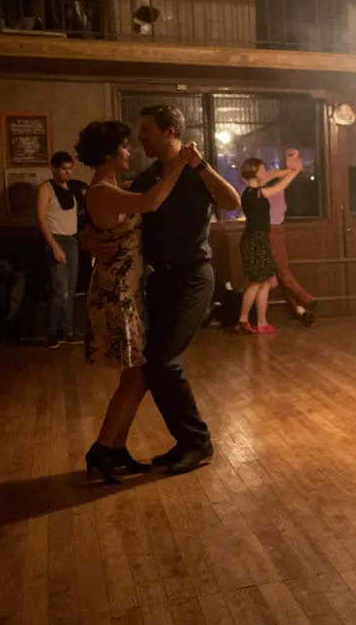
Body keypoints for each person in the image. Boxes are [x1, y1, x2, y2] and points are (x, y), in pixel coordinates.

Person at [82, 104, 241, 475]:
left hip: (193, 277)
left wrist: (199, 164)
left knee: (162, 363)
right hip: (157, 279)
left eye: (147, 131)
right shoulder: (149, 176)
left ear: (171, 132)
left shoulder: (196, 172)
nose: (139, 139)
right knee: (150, 365)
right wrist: (85, 236)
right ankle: (130, 446)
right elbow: (106, 210)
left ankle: (196, 442)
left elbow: (233, 202)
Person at [76, 120, 182, 483]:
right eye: (124, 146)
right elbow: (151, 201)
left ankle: (116, 448)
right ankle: (102, 449)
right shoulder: (102, 190)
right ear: (108, 152)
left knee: (135, 374)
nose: (129, 151)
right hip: (116, 292)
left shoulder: (109, 188)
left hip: (127, 289)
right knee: (137, 374)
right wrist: (182, 163)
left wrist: (83, 235)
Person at [236, 158, 301, 334]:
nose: (265, 171)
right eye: (262, 169)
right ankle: (242, 320)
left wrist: (289, 170)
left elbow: (273, 175)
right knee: (257, 282)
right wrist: (294, 173)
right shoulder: (254, 193)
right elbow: (279, 186)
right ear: (254, 172)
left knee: (266, 282)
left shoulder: (254, 189)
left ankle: (262, 322)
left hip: (260, 239)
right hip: (254, 241)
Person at [262, 149, 318, 326]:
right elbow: (271, 179)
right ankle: (305, 300)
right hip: (270, 230)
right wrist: (292, 170)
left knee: (277, 275)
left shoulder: (286, 181)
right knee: (278, 272)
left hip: (277, 228)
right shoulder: (266, 184)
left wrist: (294, 169)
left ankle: (299, 310)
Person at [37, 151, 83, 348]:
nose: (67, 172)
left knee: (70, 290)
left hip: (72, 240)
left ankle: (67, 331)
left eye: (70, 168)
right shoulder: (46, 188)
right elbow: (40, 218)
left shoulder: (73, 187)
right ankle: (51, 332)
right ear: (54, 168)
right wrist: (54, 246)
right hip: (55, 240)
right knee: (60, 291)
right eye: (63, 168)